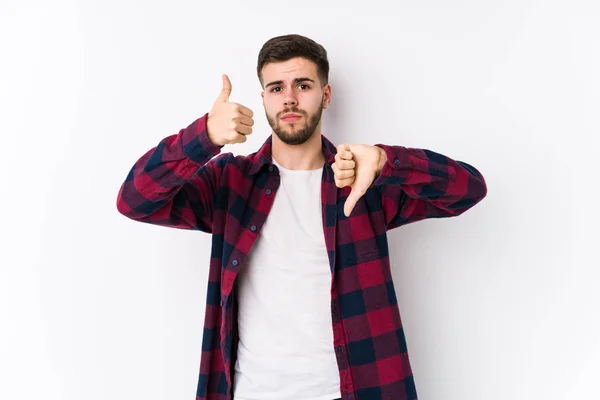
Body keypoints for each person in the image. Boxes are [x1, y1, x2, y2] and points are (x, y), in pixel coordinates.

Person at [116, 34, 487, 400]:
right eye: (276, 88)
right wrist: (203, 138)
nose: (289, 98)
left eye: (303, 85)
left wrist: (389, 161)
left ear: (325, 95)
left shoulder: (359, 181)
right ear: (263, 99)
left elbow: (468, 190)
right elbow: (135, 200)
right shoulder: (229, 182)